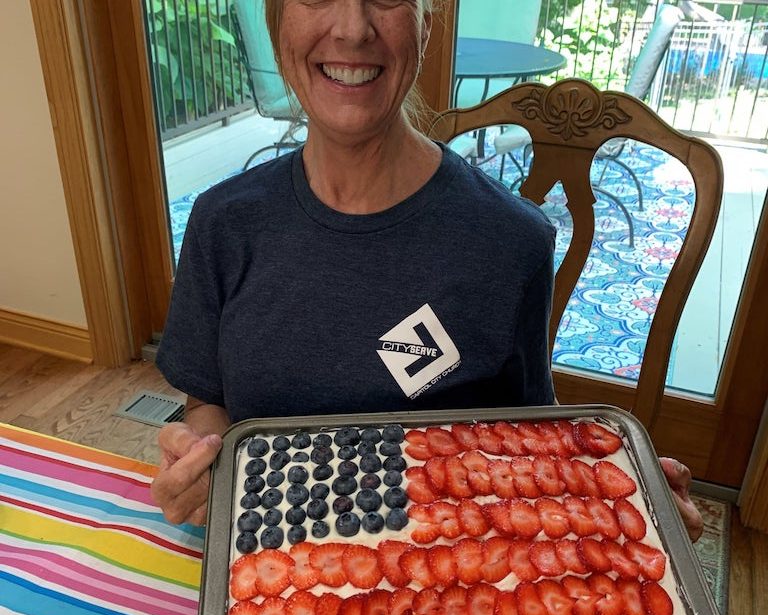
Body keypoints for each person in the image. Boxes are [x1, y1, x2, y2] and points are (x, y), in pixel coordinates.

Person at [150, 0, 703, 543]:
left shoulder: (511, 242)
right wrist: (200, 460)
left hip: (447, 587)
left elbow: (536, 442)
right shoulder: (223, 223)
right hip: (268, 568)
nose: (352, 28)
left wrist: (631, 501)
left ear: (426, 20)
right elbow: (207, 403)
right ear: (276, 22)